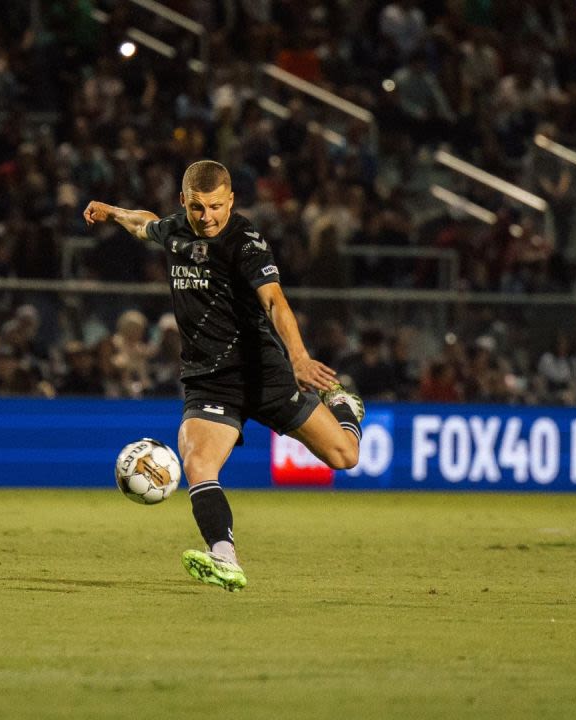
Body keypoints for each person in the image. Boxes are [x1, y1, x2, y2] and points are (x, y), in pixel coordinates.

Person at [83, 159, 365, 592]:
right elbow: (147, 225)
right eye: (197, 207)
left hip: (264, 374)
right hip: (208, 380)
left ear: (231, 200)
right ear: (184, 202)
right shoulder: (176, 230)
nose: (207, 216)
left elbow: (275, 302)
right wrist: (114, 212)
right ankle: (224, 556)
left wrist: (300, 358)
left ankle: (344, 406)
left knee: (345, 456)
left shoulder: (246, 241)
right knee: (198, 463)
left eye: (216, 206)